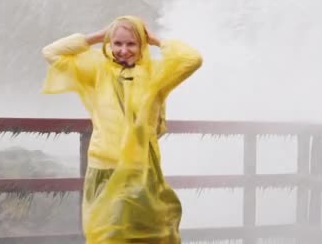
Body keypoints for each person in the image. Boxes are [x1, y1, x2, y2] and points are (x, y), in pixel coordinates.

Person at [41, 15, 203, 243]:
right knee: (107, 233)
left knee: (152, 232)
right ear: (109, 43)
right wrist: (97, 36)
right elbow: (51, 52)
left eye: (131, 44)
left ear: (141, 46)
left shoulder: (155, 74)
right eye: (117, 43)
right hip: (104, 167)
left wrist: (155, 40)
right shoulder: (98, 69)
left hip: (140, 169)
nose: (123, 50)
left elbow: (192, 59)